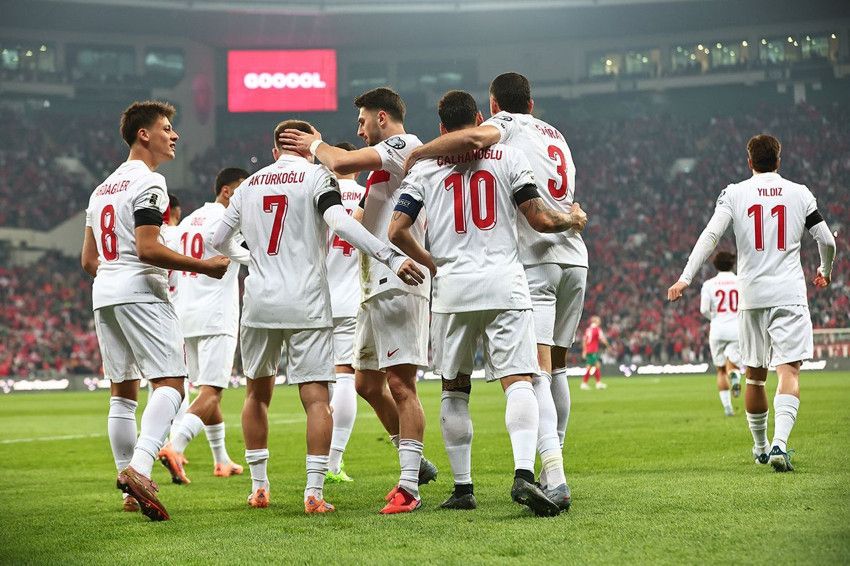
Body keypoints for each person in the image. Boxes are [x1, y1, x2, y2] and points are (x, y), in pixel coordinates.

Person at [388, 90, 587, 514]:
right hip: (506, 285)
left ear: (441, 128)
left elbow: (396, 230)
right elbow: (539, 218)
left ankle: (463, 488)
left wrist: (432, 263)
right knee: (520, 381)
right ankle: (524, 474)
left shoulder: (424, 169)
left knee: (454, 388)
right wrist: (572, 218)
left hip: (453, 291)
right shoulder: (509, 157)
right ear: (480, 118)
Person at [210, 119, 424, 514]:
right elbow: (339, 222)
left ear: (274, 150)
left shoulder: (249, 186)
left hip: (259, 302)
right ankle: (313, 493)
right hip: (306, 302)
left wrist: (250, 259)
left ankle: (259, 487)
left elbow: (216, 240)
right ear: (308, 145)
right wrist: (390, 256)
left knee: (256, 394)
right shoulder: (317, 177)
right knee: (315, 399)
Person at [279, 88, 438, 514]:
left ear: (382, 118)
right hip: (372, 287)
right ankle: (414, 460)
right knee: (367, 384)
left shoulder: (405, 145)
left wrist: (315, 144)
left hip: (400, 281)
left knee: (401, 385)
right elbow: (356, 223)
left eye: (363, 121)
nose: (360, 129)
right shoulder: (380, 177)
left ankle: (409, 486)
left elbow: (340, 161)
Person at [81, 100, 230, 521]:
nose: (174, 135)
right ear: (143, 134)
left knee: (122, 393)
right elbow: (147, 248)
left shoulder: (101, 189)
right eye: (166, 128)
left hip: (105, 292)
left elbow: (88, 259)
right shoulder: (150, 182)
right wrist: (204, 266)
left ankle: (129, 489)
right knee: (172, 384)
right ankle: (141, 469)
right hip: (140, 290)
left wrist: (115, 277)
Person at [668, 134, 836, 472]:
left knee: (755, 378)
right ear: (778, 160)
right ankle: (779, 444)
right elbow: (827, 241)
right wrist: (824, 270)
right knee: (789, 371)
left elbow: (710, 236)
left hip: (752, 296)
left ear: (749, 162)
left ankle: (760, 448)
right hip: (789, 294)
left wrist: (685, 277)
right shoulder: (800, 193)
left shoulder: (734, 193)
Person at [158, 168, 251, 484]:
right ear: (226, 191)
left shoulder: (189, 220)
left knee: (207, 391)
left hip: (187, 316)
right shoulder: (229, 222)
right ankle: (175, 446)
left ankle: (221, 460)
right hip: (216, 317)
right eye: (242, 191)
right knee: (211, 392)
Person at [325, 142, 367, 483]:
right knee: (345, 376)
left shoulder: (318, 195)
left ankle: (317, 458)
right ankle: (333, 461)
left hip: (316, 298)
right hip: (353, 297)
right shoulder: (368, 196)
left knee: (319, 380)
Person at [699, 251, 743, 416]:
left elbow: (704, 309)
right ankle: (735, 376)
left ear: (715, 265)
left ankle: (728, 408)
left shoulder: (709, 284)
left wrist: (715, 318)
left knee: (721, 370)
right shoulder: (740, 281)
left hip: (717, 330)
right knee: (733, 364)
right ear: (732, 264)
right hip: (737, 329)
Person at [581, 316, 609, 390]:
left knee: (592, 366)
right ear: (595, 321)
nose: (600, 321)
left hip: (589, 350)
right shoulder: (597, 329)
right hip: (592, 350)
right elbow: (602, 339)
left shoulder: (588, 329)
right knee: (595, 365)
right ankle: (588, 383)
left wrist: (584, 350)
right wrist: (608, 345)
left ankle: (595, 383)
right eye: (598, 320)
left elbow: (584, 340)